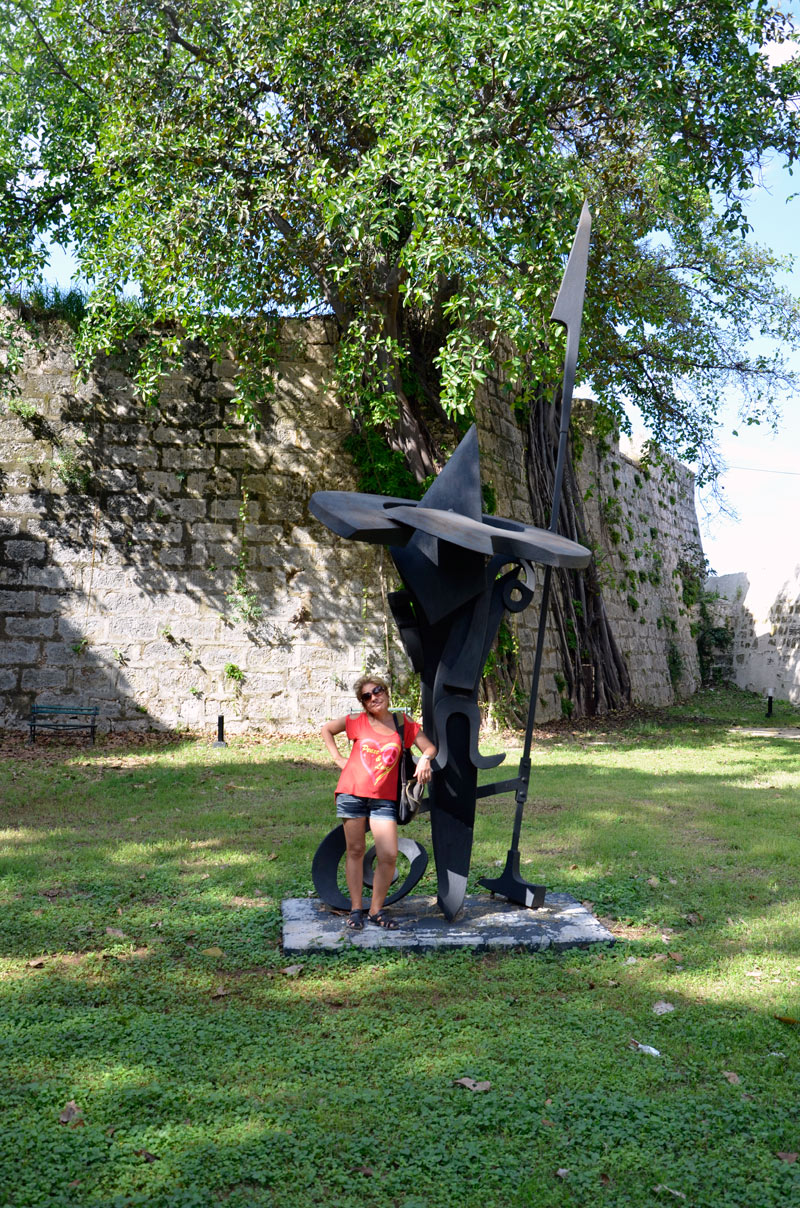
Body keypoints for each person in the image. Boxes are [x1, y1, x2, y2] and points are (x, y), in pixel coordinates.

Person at [320, 676, 437, 931]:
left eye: (378, 690)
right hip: (352, 794)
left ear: (386, 692)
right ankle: (355, 909)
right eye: (367, 696)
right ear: (363, 703)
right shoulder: (356, 722)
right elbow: (327, 729)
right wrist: (338, 758)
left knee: (388, 854)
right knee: (355, 851)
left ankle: (375, 910)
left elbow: (429, 747)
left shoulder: (401, 723)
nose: (374, 697)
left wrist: (426, 759)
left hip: (384, 799)